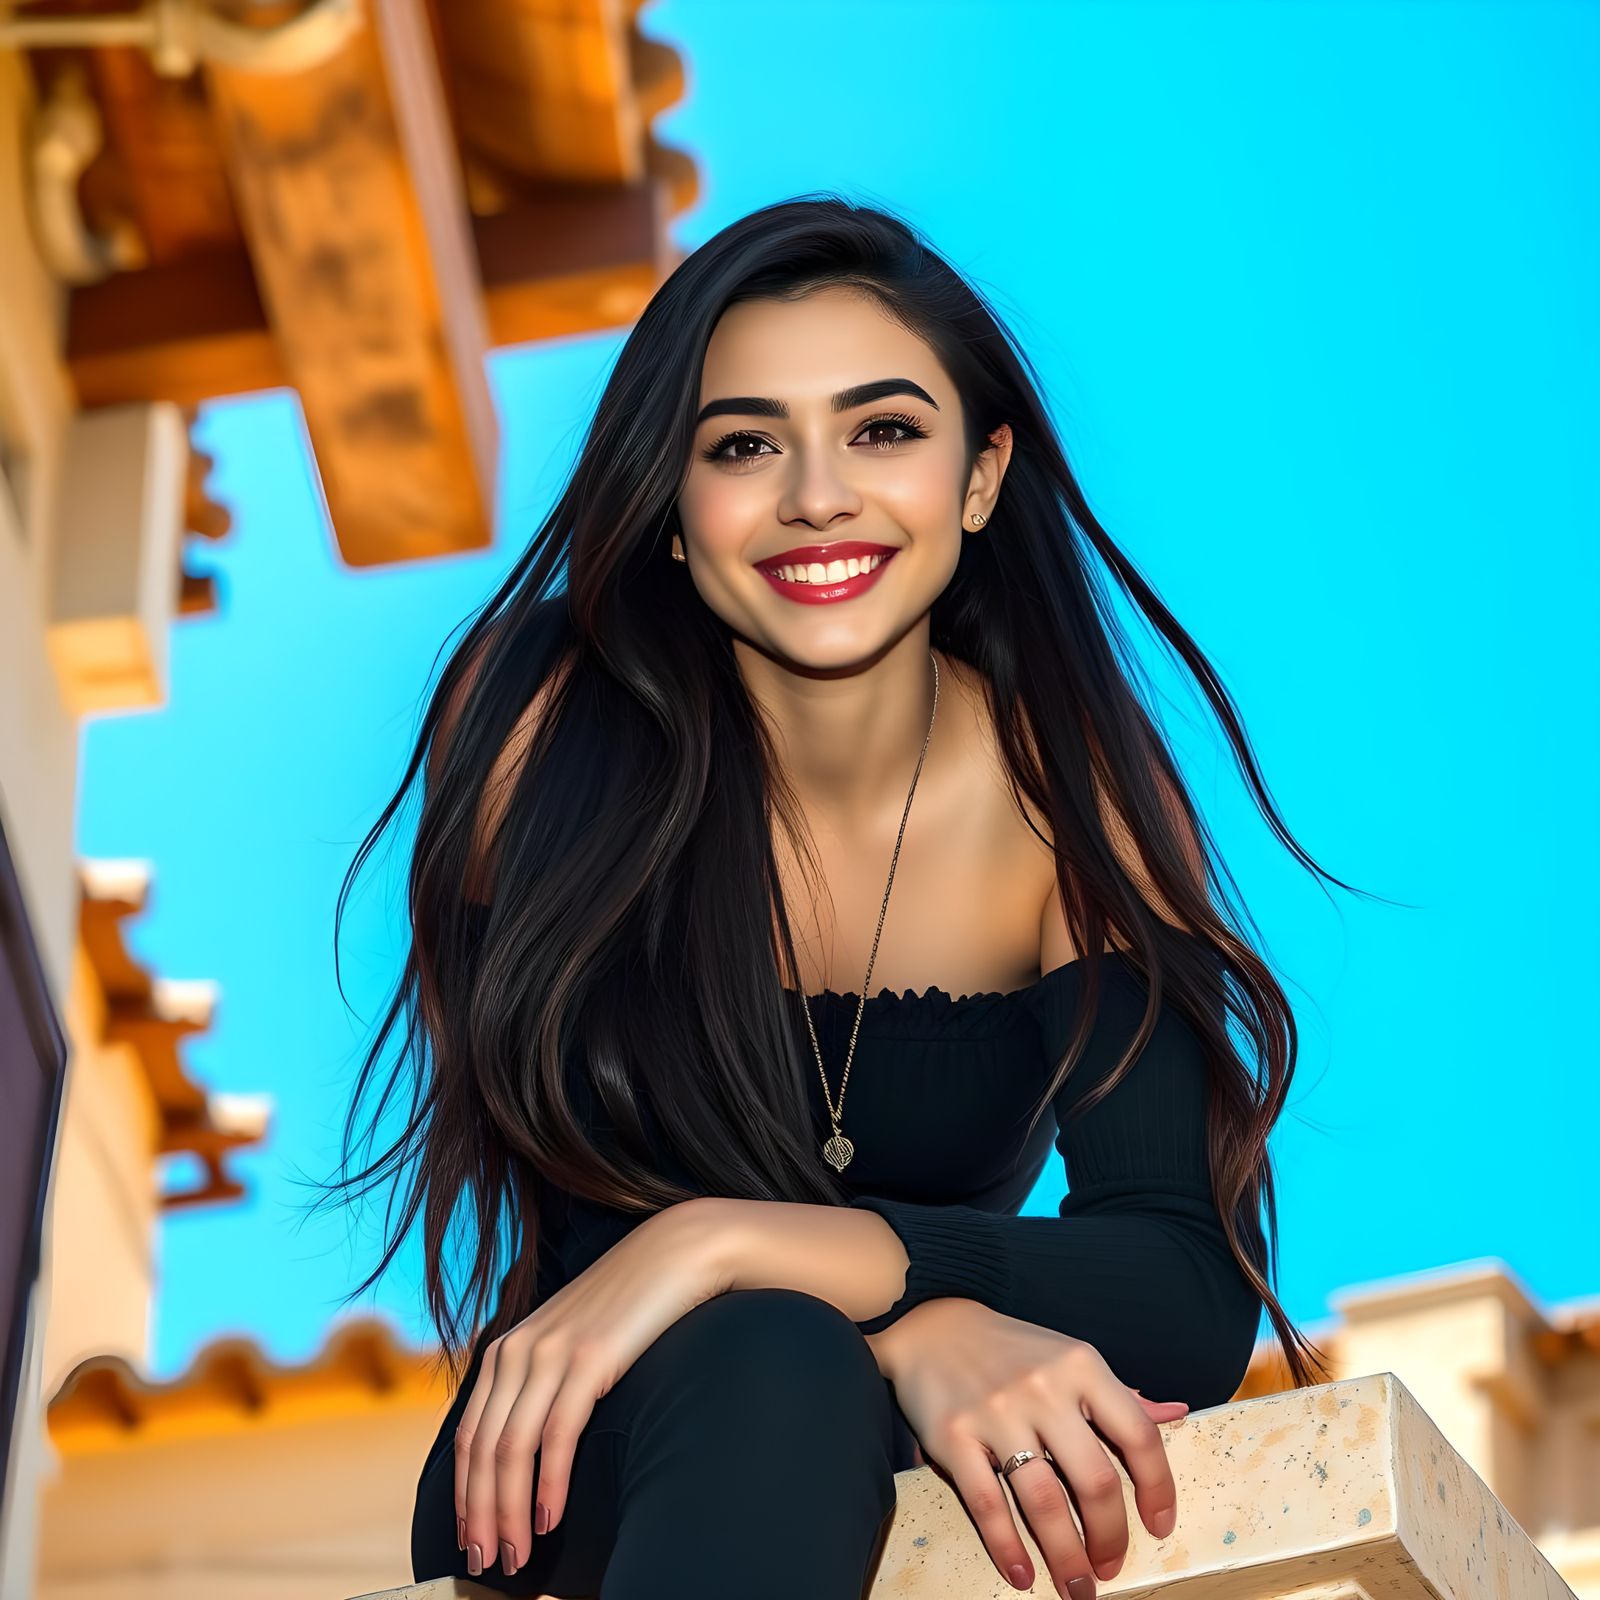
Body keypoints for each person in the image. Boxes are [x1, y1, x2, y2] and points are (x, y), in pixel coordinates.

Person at [320, 196, 1348, 1599]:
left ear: (980, 478)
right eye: (745, 445)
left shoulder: (1069, 800)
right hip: (580, 1459)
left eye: (884, 430)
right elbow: (567, 1172)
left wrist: (730, 1239)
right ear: (670, 510)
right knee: (776, 1354)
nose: (818, 496)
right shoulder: (542, 724)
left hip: (901, 1467)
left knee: (792, 1346)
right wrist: (907, 1329)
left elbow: (1181, 1290)